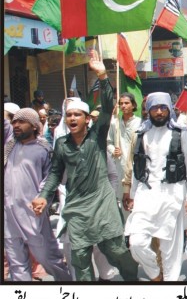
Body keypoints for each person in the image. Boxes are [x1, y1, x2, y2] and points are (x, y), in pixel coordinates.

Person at [32, 50, 139, 281]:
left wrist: (102, 77)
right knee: (80, 258)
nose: (72, 119)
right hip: (77, 207)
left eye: (77, 115)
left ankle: (134, 282)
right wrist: (43, 195)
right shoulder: (61, 144)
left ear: (86, 119)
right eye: (68, 115)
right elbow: (54, 174)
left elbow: (109, 105)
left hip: (102, 203)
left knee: (116, 251)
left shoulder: (97, 136)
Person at [122, 93, 187, 281]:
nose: (159, 112)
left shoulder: (181, 133)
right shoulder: (140, 134)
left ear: (169, 109)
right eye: (155, 108)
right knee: (136, 241)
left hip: (172, 194)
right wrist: (131, 195)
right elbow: (138, 167)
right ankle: (155, 274)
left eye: (163, 108)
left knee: (169, 249)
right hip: (145, 194)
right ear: (148, 110)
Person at [4, 108, 72, 281]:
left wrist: (42, 201)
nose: (16, 125)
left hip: (32, 213)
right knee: (16, 262)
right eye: (15, 122)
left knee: (48, 258)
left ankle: (67, 285)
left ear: (34, 126)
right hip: (8, 214)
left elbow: (49, 179)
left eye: (21, 122)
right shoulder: (10, 145)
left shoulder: (44, 149)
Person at [107, 92, 142, 220]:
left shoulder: (139, 123)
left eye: (126, 103)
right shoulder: (114, 123)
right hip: (119, 165)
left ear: (133, 105)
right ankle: (125, 232)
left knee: (136, 197)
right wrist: (112, 150)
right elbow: (108, 142)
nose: (123, 106)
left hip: (135, 165)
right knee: (122, 198)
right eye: (121, 103)